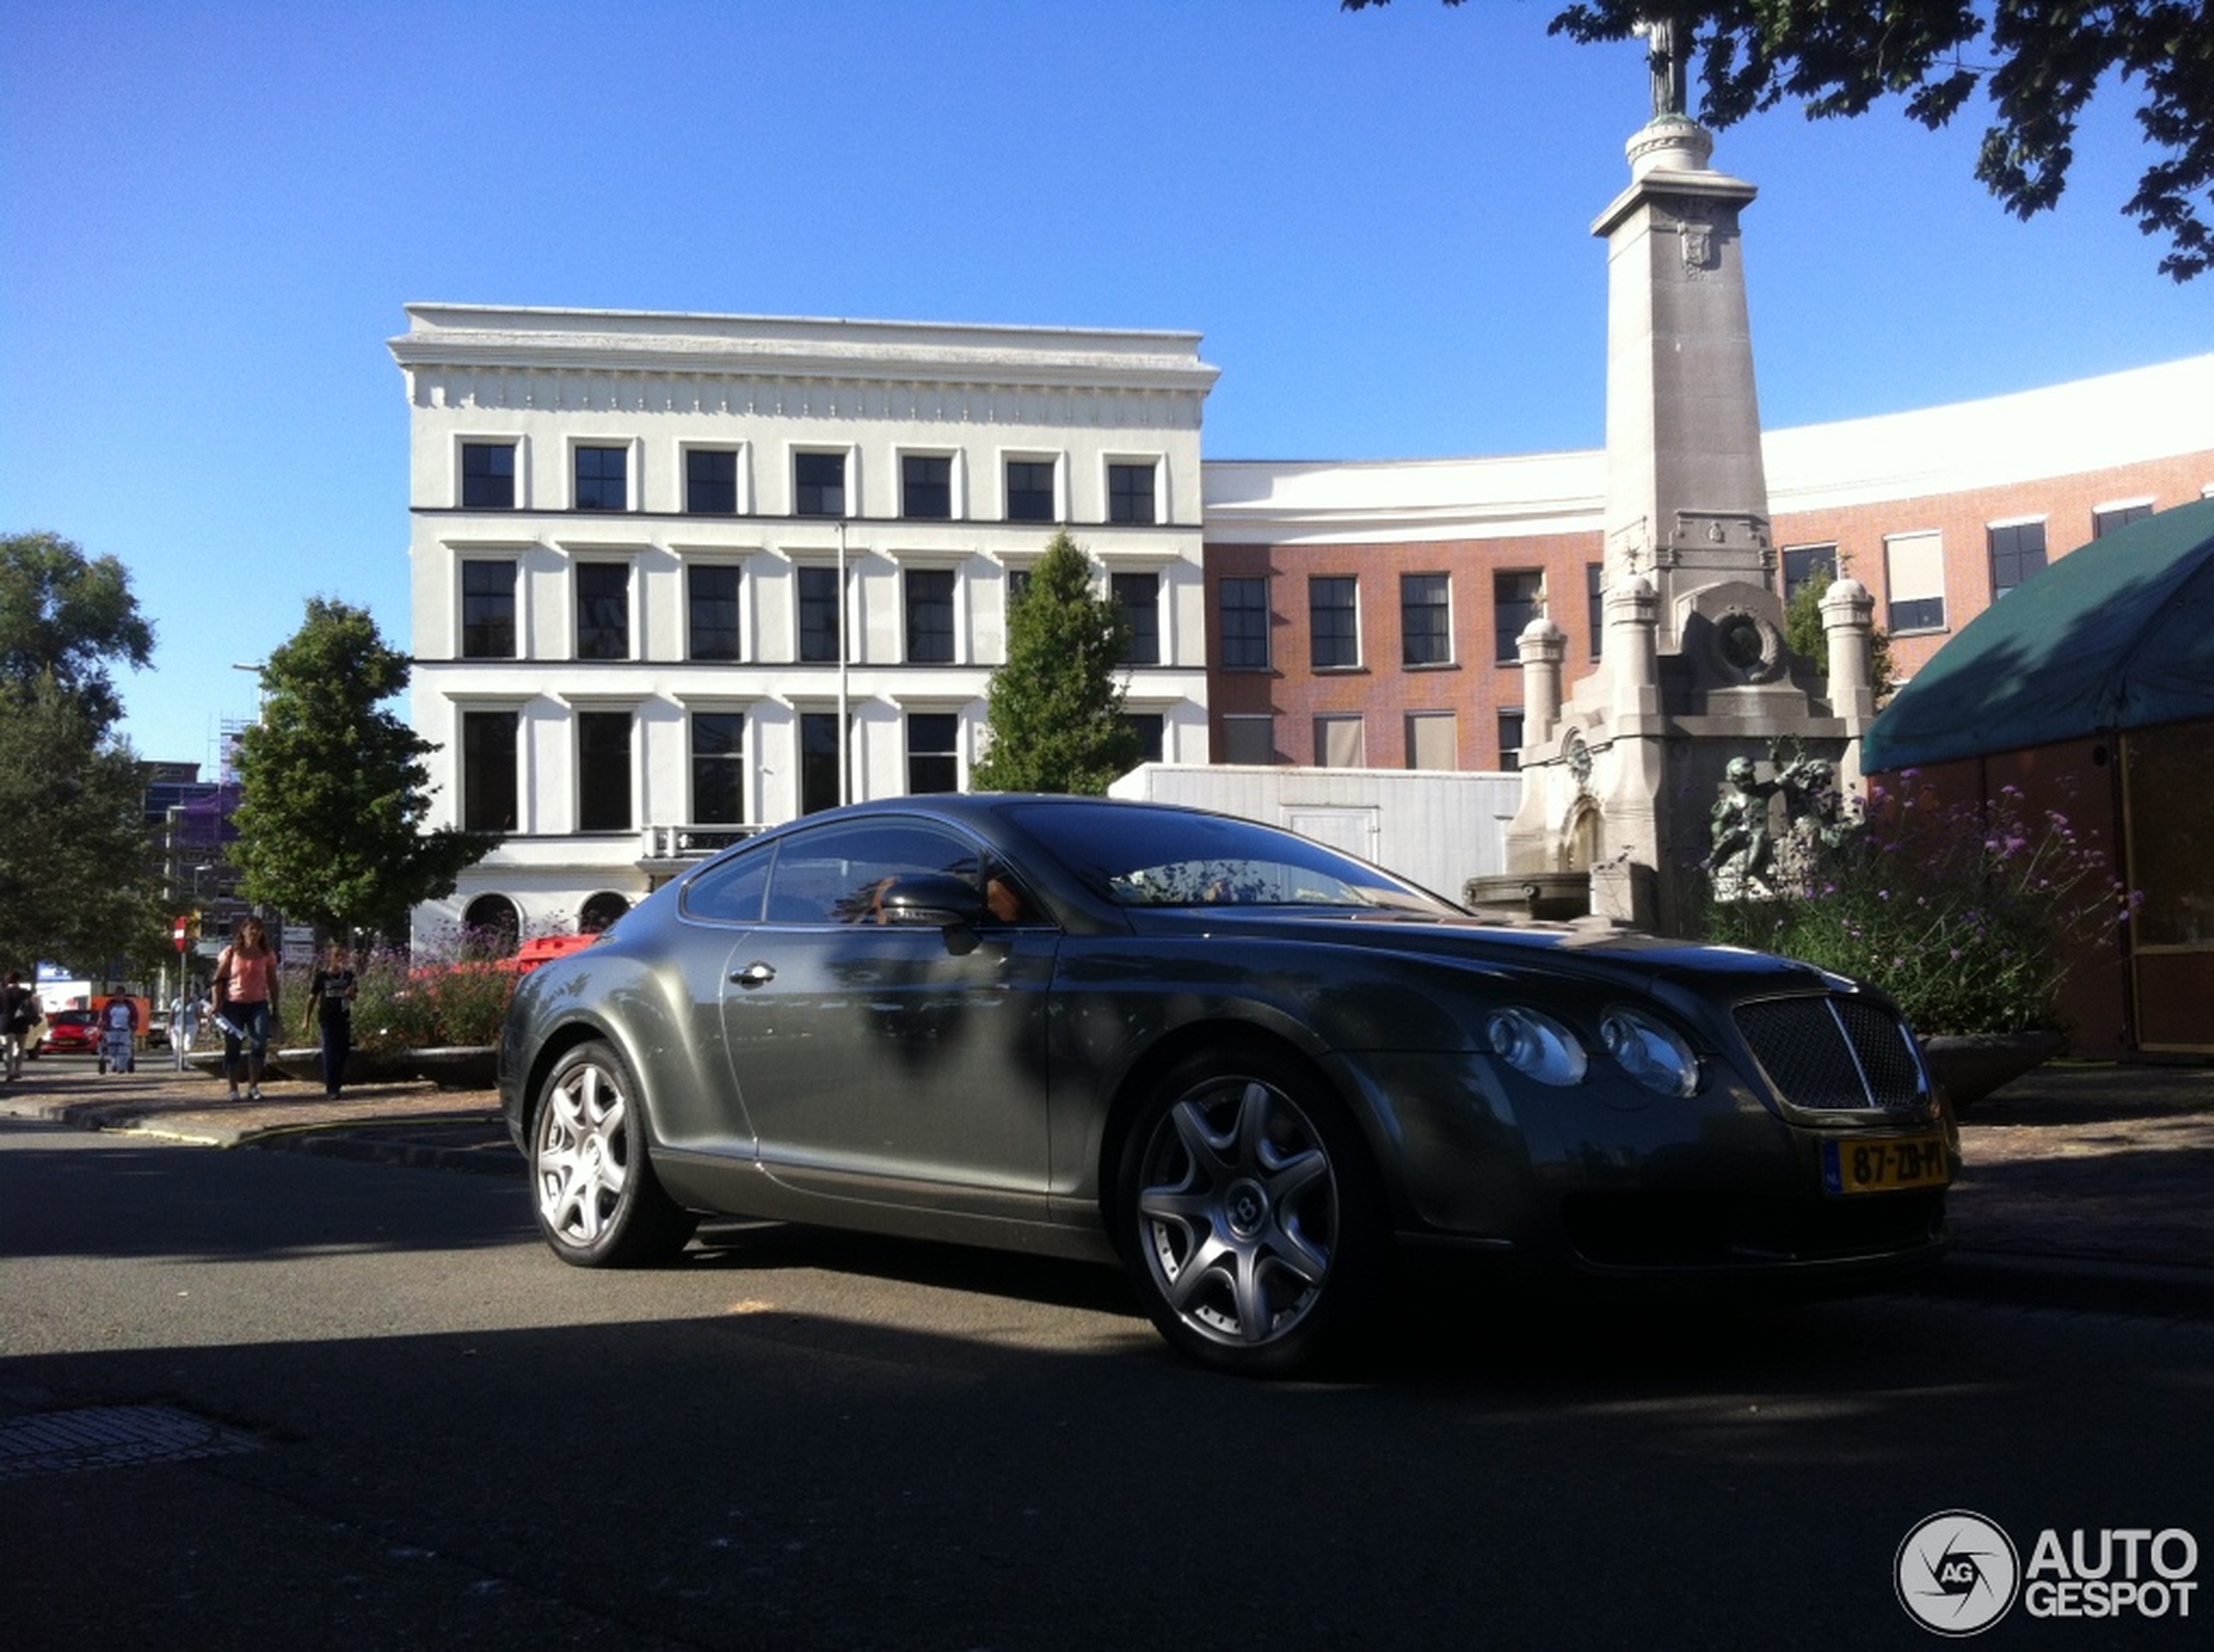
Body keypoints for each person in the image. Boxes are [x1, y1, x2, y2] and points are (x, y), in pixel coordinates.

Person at [212, 917, 281, 1101]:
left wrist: (276, 1007)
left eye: (259, 929)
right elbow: (218, 978)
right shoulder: (231, 952)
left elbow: (272, 982)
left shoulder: (267, 954)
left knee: (259, 1044)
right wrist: (216, 1003)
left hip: (258, 1004)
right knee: (233, 1046)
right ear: (243, 930)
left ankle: (253, 1086)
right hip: (233, 1004)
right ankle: (233, 1089)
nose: (255, 933)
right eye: (251, 929)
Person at [304, 942, 357, 1100]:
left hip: (344, 1018)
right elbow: (312, 998)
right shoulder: (322, 976)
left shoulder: (349, 976)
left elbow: (354, 997)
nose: (340, 959)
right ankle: (332, 1088)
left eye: (343, 956)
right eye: (336, 956)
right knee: (329, 1052)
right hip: (327, 1018)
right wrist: (306, 1020)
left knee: (343, 1052)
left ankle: (338, 1082)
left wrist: (351, 993)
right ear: (330, 958)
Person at [2, 970, 37, 1082]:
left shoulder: (1, 993)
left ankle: (9, 1072)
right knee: (21, 1049)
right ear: (19, 980)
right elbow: (33, 1007)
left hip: (5, 1024)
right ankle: (17, 1070)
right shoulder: (25, 993)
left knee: (8, 1049)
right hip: (22, 1022)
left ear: (6, 981)